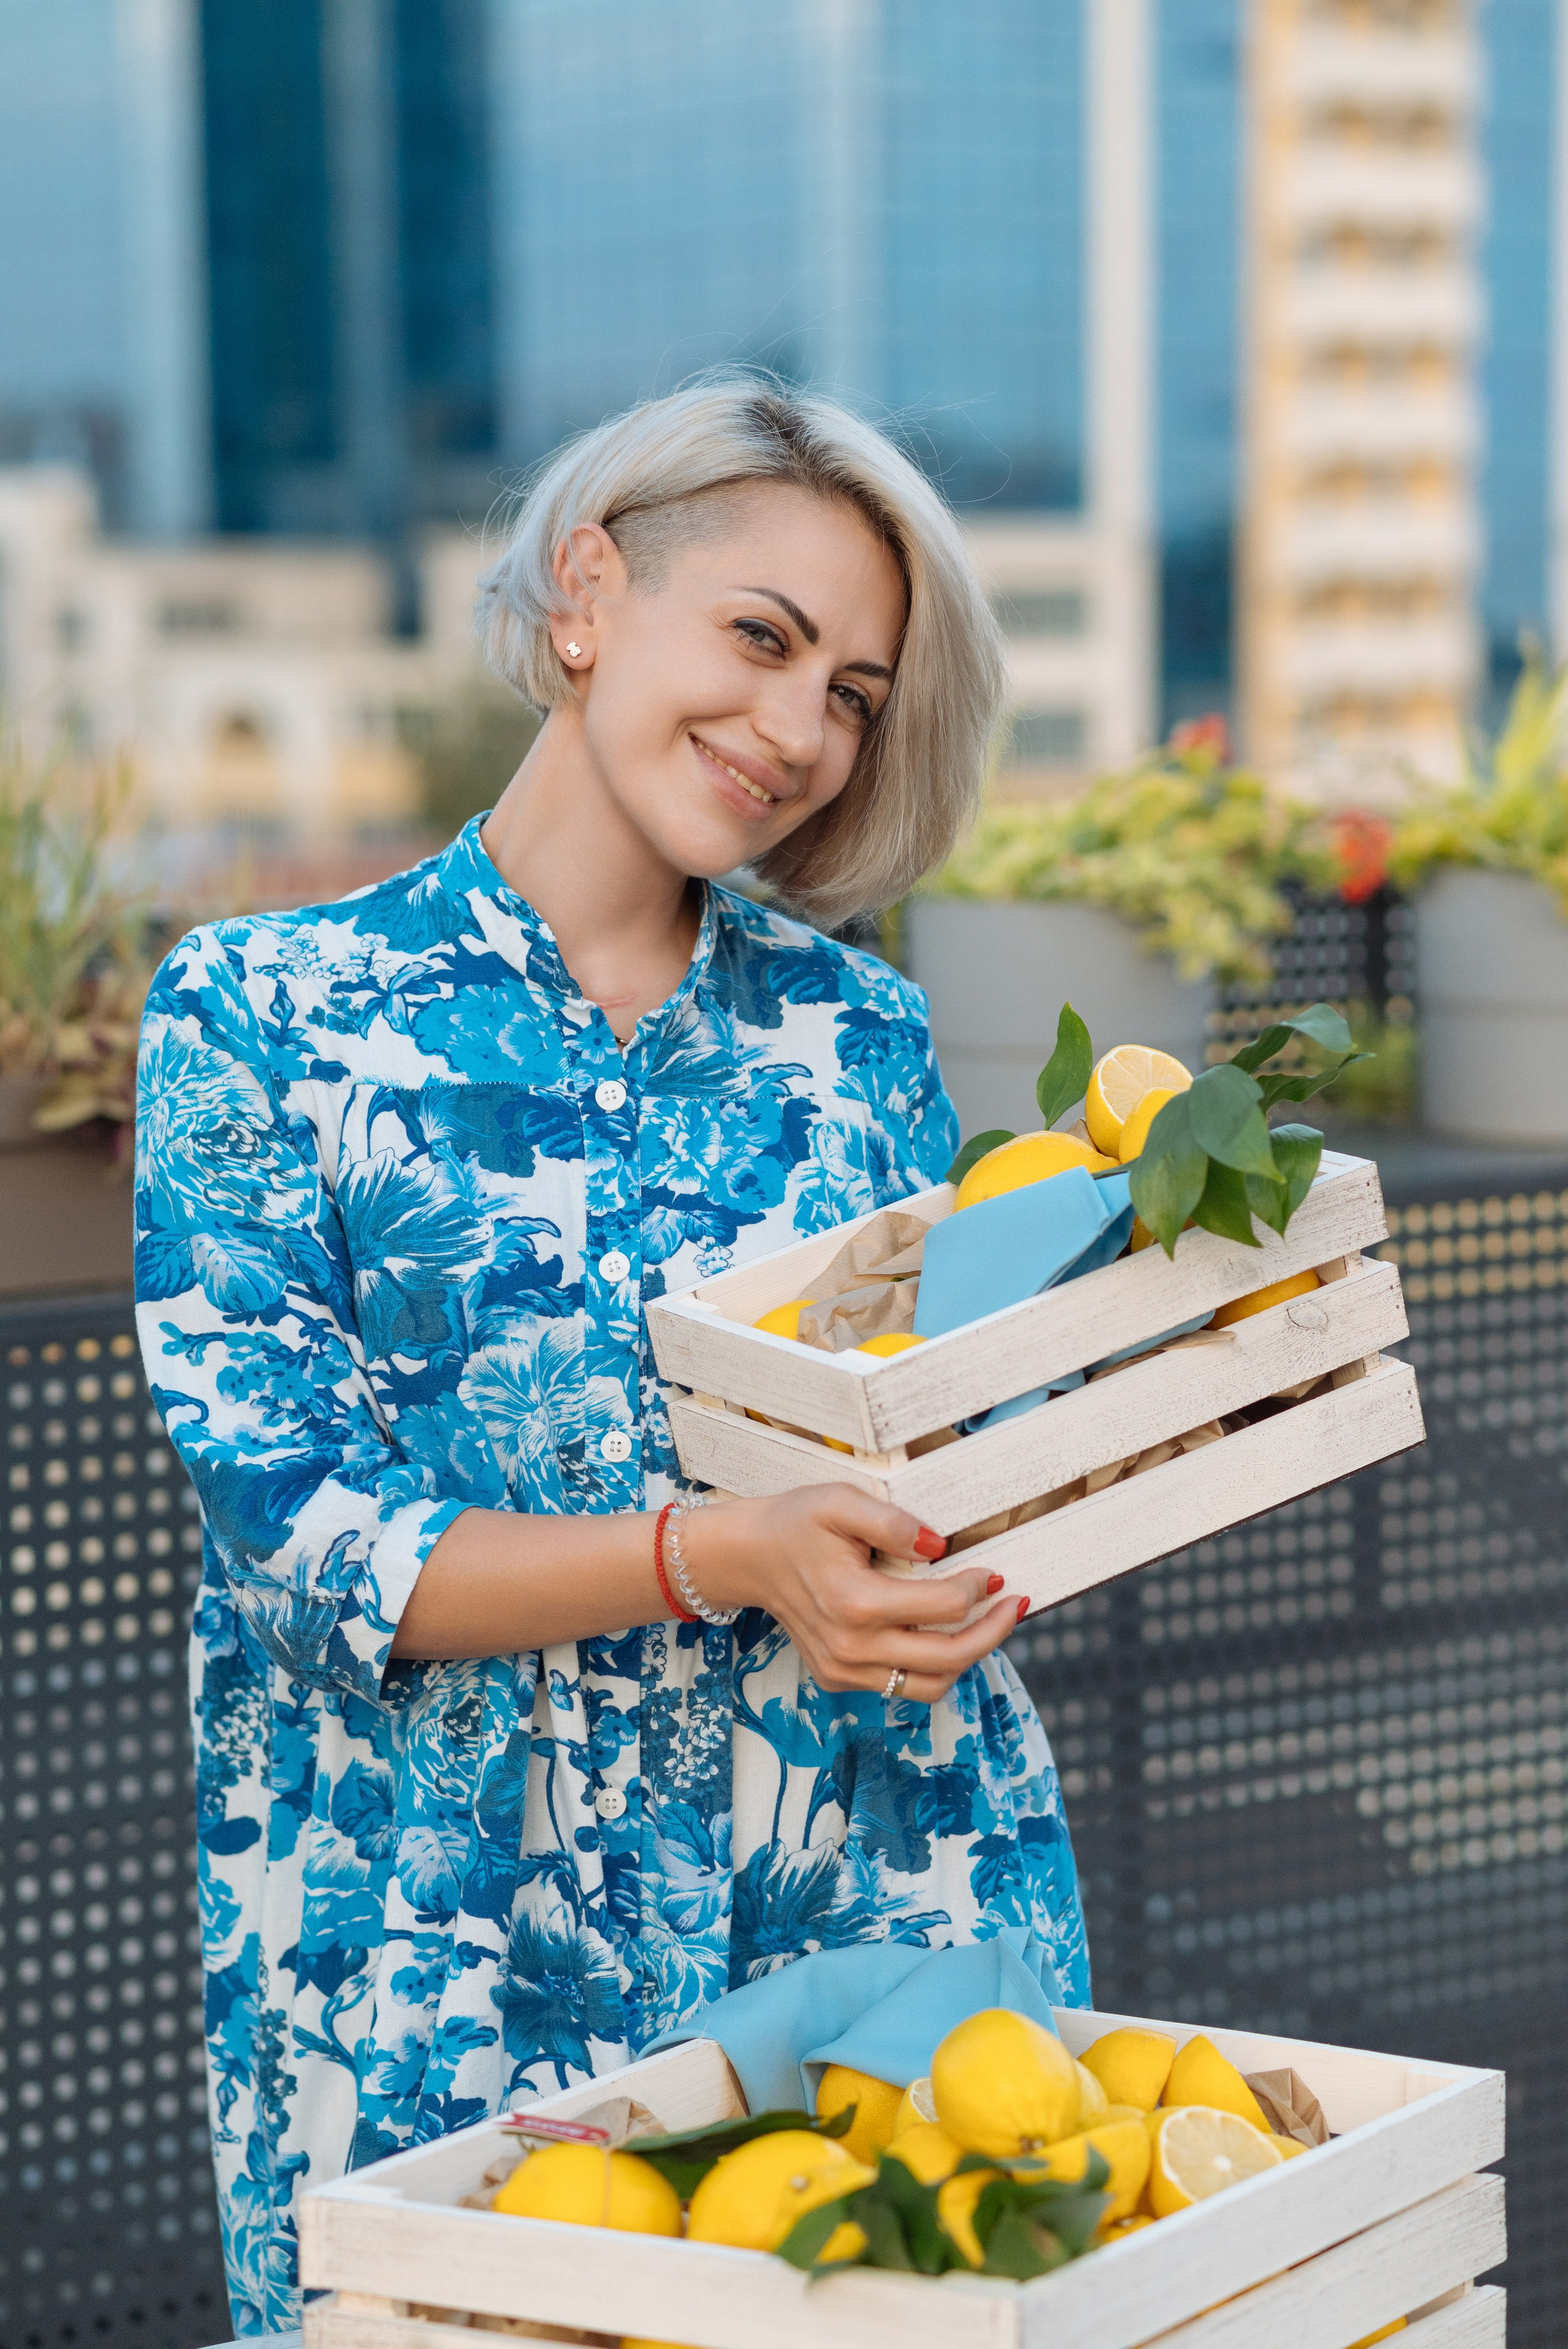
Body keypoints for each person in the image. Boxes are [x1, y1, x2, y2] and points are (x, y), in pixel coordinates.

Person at [134, 377, 1090, 2332]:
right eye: (760, 636)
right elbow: (307, 1539)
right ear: (589, 594)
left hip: (864, 1899)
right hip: (442, 1947)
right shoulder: (258, 1016)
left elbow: (928, 1438)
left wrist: (1098, 1416)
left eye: (851, 691)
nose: (798, 730)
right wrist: (718, 1551)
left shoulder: (860, 1033)